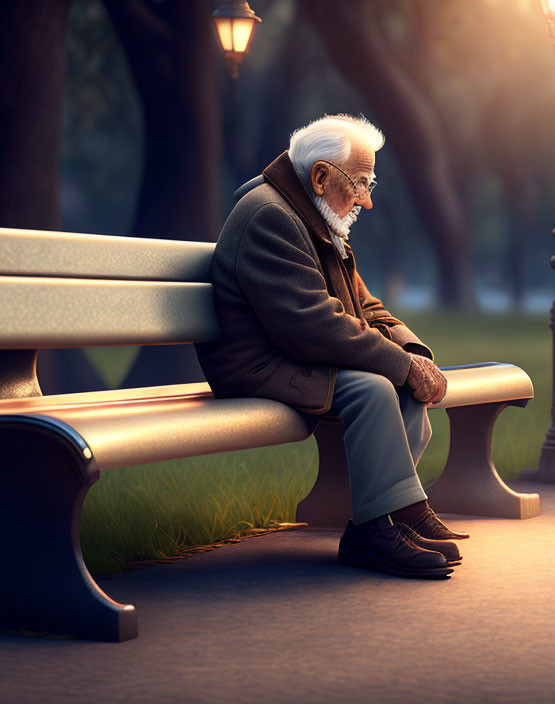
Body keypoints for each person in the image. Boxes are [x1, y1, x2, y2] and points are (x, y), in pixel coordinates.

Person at [195, 114, 468, 579]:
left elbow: (364, 305)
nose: (367, 199)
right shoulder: (271, 217)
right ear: (321, 176)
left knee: (398, 381)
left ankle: (393, 513)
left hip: (292, 358)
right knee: (374, 387)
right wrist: (399, 365)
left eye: (371, 181)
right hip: (259, 367)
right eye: (360, 182)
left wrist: (412, 352)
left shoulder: (309, 214)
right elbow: (312, 326)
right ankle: (373, 531)